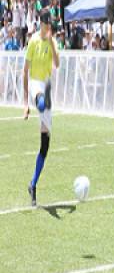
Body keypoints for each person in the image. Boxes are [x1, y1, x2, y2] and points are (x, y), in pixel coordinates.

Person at [23, 10, 60, 206]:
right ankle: (41, 100)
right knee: (41, 100)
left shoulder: (52, 41)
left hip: (46, 84)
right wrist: (24, 103)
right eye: (47, 25)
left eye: (51, 25)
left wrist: (53, 45)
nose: (49, 28)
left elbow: (57, 64)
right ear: (41, 24)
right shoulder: (33, 42)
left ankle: (33, 184)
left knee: (45, 146)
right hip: (36, 85)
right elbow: (25, 72)